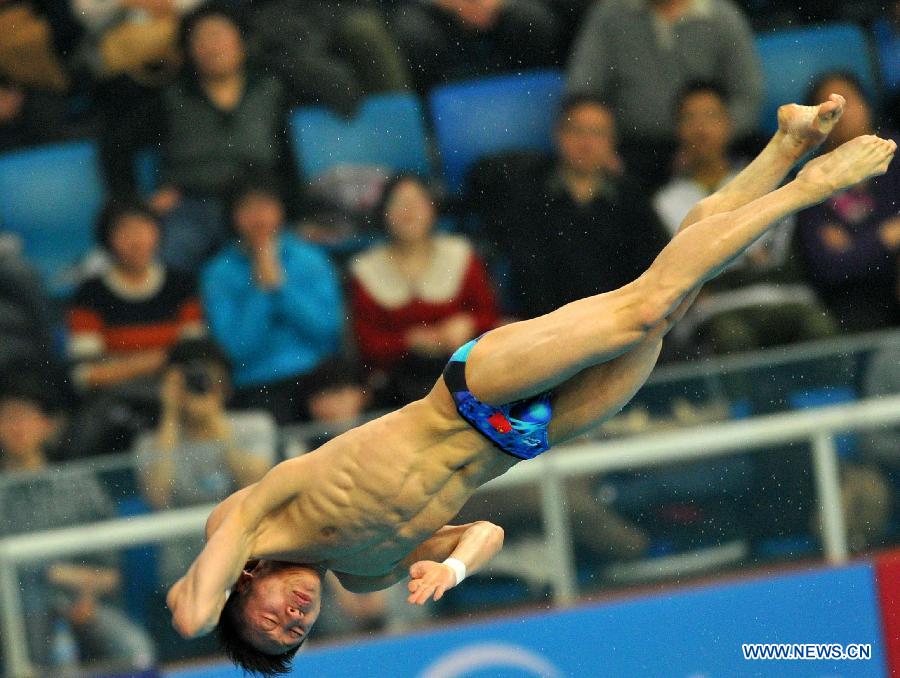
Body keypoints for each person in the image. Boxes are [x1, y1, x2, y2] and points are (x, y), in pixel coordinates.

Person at [167, 95, 896, 674]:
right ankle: (786, 145)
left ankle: (810, 186)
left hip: (471, 392)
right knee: (671, 301)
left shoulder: (253, 521)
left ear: (243, 585)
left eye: (269, 620)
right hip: (526, 436)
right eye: (294, 634)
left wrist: (215, 597)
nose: (292, 618)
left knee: (642, 304)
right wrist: (451, 567)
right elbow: (487, 531)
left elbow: (189, 611)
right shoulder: (366, 574)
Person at [654, 81, 837, 355]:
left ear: (729, 123)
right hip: (715, 312)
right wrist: (744, 266)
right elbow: (681, 279)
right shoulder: (663, 202)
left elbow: (784, 262)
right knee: (732, 337)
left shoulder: (768, 180)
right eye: (690, 118)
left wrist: (720, 271)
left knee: (821, 329)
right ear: (678, 129)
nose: (701, 128)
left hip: (784, 300)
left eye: (711, 116)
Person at [0, 367, 155, 670]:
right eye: (6, 417)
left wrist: (74, 589)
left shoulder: (79, 486)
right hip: (11, 616)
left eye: (24, 416)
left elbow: (111, 576)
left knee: (134, 649)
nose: (15, 427)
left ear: (46, 424)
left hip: (85, 608)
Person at [471, 94, 667, 319]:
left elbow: (653, 267)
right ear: (558, 135)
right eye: (577, 131)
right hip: (548, 327)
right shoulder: (526, 195)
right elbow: (527, 278)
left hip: (623, 324)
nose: (586, 143)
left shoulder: (631, 197)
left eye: (597, 133)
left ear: (612, 143)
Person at [565, 0, 762, 188]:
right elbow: (583, 89)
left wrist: (707, 142)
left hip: (707, 144)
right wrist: (602, 145)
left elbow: (747, 97)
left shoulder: (722, 17)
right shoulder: (609, 15)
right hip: (629, 149)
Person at [201, 177, 346, 424]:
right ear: (233, 216)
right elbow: (235, 348)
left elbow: (327, 330)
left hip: (318, 376)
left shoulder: (309, 258)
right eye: (248, 208)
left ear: (280, 209)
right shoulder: (218, 273)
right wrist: (261, 291)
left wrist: (281, 288)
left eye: (266, 206)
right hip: (258, 384)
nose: (258, 217)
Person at [135, 338, 277, 587]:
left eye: (208, 380)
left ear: (225, 385)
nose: (197, 386)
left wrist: (216, 422)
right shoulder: (151, 443)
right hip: (184, 570)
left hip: (248, 560)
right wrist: (169, 414)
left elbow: (255, 482)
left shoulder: (255, 425)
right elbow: (157, 497)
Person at [66, 198, 204, 456]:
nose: (135, 240)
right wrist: (160, 359)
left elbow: (195, 354)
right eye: (124, 231)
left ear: (157, 233)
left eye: (142, 228)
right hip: (117, 408)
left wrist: (122, 365)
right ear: (107, 240)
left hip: (176, 397)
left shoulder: (181, 286)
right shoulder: (90, 295)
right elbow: (85, 374)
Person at [350, 174, 499, 405]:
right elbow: (366, 342)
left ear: (432, 209)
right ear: (384, 213)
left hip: (466, 371)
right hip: (398, 385)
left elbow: (490, 315)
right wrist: (408, 341)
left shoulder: (460, 254)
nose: (408, 212)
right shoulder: (367, 269)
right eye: (398, 204)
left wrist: (468, 325)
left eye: (416, 202)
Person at [796, 72, 900, 332]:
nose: (842, 115)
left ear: (867, 103)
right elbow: (828, 268)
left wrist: (856, 243)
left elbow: (846, 259)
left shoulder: (897, 154)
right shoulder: (809, 179)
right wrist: (886, 237)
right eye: (829, 110)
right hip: (852, 302)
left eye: (848, 101)